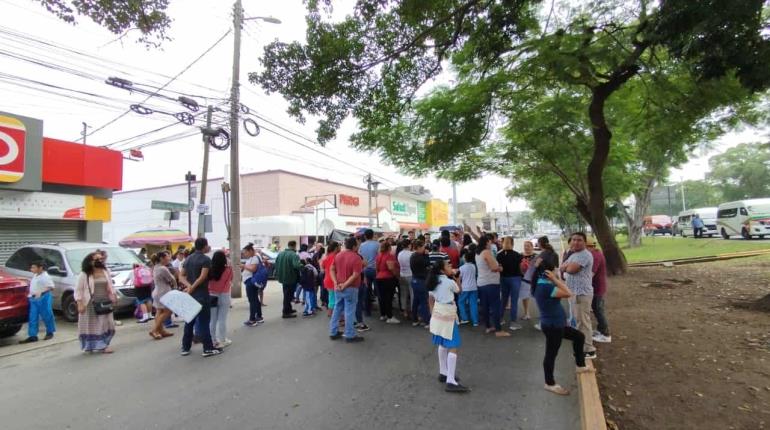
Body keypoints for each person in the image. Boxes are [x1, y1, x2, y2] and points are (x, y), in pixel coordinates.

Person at [534, 269, 593, 395]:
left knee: (579, 337)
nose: (557, 272)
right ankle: (549, 383)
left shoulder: (545, 285)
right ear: (548, 274)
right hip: (553, 327)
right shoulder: (546, 287)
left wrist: (555, 280)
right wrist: (555, 279)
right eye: (554, 270)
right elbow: (568, 293)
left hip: (557, 325)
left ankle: (580, 365)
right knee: (551, 354)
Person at [427, 259, 469, 393]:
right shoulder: (449, 282)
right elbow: (459, 291)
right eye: (448, 265)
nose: (451, 267)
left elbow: (431, 299)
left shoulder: (432, 282)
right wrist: (457, 278)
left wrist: (432, 314)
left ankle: (443, 372)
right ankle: (450, 380)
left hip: (438, 313)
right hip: (448, 314)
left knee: (442, 343)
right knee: (453, 346)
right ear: (442, 270)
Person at [179, 238, 221, 357]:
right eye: (207, 245)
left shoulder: (188, 259)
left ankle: (185, 347)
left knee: (189, 322)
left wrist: (188, 286)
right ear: (204, 246)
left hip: (190, 296)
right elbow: (203, 277)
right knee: (203, 322)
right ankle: (208, 348)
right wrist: (192, 287)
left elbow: (181, 276)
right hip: (201, 295)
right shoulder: (205, 259)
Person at [560, 232, 597, 359]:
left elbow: (571, 270)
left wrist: (566, 267)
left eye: (579, 240)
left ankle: (588, 350)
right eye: (574, 240)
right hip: (574, 293)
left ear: (585, 242)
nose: (575, 242)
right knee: (577, 321)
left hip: (581, 293)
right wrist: (565, 267)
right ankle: (581, 345)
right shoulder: (574, 254)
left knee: (583, 322)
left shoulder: (585, 255)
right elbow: (563, 267)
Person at [74, 252, 117, 353]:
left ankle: (103, 343)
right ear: (89, 262)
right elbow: (78, 290)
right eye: (96, 259)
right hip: (90, 303)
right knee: (94, 326)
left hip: (105, 302)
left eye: (101, 259)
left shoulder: (105, 271)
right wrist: (80, 303)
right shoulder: (84, 274)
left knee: (108, 324)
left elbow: (110, 286)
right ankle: (100, 346)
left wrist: (114, 296)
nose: (100, 261)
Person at [329, 237, 365, 343]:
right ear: (354, 246)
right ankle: (349, 335)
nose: (358, 247)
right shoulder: (356, 257)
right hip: (350, 288)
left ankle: (333, 332)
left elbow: (331, 269)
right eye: (357, 245)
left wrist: (336, 283)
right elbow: (355, 275)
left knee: (337, 309)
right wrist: (345, 285)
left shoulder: (338, 255)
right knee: (349, 311)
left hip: (338, 286)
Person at [476, 236, 510, 337]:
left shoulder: (478, 253)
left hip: (481, 283)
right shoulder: (486, 252)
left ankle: (488, 326)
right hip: (491, 283)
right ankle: (498, 330)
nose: (491, 244)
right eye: (490, 242)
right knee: (495, 307)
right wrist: (500, 267)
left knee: (485, 306)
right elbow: (494, 268)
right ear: (486, 242)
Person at [19, 260, 56, 344]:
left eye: (34, 267)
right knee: (33, 317)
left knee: (47, 315)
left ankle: (50, 332)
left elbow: (51, 287)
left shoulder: (45, 276)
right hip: (33, 298)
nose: (31, 269)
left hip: (43, 298)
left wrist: (41, 292)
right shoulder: (36, 275)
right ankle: (33, 336)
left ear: (40, 268)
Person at [586, 238, 611, 343]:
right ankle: (601, 330)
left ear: (589, 247)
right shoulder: (594, 254)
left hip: (598, 287)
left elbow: (591, 274)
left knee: (598, 310)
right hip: (596, 287)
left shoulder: (595, 256)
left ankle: (606, 334)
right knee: (596, 309)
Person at [497, 236, 524, 331]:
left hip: (503, 278)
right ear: (512, 244)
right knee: (514, 301)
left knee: (503, 300)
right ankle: (513, 322)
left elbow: (498, 268)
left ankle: (499, 319)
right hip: (515, 279)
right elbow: (522, 268)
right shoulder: (518, 255)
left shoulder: (499, 255)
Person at [209, 250, 233, 348]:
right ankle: (223, 339)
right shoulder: (228, 269)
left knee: (212, 320)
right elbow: (231, 279)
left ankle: (213, 340)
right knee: (222, 319)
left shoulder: (209, 270)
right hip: (224, 295)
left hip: (211, 295)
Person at [149, 251, 176, 340]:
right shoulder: (163, 268)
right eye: (167, 257)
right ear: (162, 258)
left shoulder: (155, 267)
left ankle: (161, 330)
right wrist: (175, 287)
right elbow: (172, 279)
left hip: (157, 291)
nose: (169, 258)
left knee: (159, 311)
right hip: (163, 292)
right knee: (168, 311)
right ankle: (154, 330)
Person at [275, 240, 302, 319]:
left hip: (283, 277)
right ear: (294, 246)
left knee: (287, 294)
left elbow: (276, 264)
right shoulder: (294, 255)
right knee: (288, 296)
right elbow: (296, 265)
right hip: (290, 278)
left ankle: (289, 309)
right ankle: (286, 312)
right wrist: (303, 265)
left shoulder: (280, 254)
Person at [375, 241, 400, 324]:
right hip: (388, 278)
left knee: (381, 298)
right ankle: (390, 316)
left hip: (379, 277)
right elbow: (391, 268)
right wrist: (396, 275)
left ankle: (383, 315)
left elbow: (376, 268)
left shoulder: (379, 256)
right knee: (388, 298)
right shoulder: (389, 256)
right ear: (389, 248)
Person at [409, 240, 432, 327]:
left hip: (414, 279)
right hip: (421, 281)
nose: (424, 249)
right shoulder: (419, 257)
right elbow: (427, 263)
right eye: (423, 247)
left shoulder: (413, 255)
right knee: (424, 302)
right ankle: (427, 321)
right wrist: (426, 255)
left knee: (416, 301)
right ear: (419, 247)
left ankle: (415, 319)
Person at [241, 243, 264, 327]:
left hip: (251, 281)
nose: (244, 254)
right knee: (255, 299)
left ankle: (252, 319)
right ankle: (259, 316)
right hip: (250, 281)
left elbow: (253, 269)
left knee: (252, 300)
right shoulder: (252, 257)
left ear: (250, 251)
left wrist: (243, 266)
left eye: (245, 252)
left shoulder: (255, 258)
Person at [358, 229, 379, 317]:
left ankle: (367, 311)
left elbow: (359, 257)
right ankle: (383, 312)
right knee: (379, 290)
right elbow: (380, 257)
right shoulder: (378, 244)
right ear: (373, 235)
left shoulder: (361, 245)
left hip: (365, 270)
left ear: (365, 236)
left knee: (367, 291)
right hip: (376, 270)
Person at [457, 246, 479, 326]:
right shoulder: (474, 266)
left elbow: (458, 279)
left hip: (465, 287)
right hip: (474, 287)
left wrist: (459, 288)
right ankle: (475, 321)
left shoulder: (461, 268)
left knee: (460, 302)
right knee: (473, 304)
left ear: (465, 258)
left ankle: (464, 318)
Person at [519, 240, 537, 320]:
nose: (526, 247)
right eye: (525, 246)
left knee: (537, 296)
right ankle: (526, 313)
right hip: (523, 279)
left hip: (534, 278)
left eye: (528, 246)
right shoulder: (520, 255)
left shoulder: (536, 256)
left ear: (532, 247)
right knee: (525, 296)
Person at [322, 241, 340, 317]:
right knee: (335, 299)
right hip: (334, 280)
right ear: (336, 248)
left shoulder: (326, 257)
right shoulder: (337, 256)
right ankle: (333, 314)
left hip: (327, 279)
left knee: (331, 297)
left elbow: (323, 267)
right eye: (339, 246)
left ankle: (330, 313)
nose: (340, 248)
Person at [397, 239, 414, 321]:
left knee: (403, 294)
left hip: (402, 274)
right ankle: (412, 310)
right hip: (410, 274)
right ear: (408, 245)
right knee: (412, 293)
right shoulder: (411, 254)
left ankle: (404, 311)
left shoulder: (400, 254)